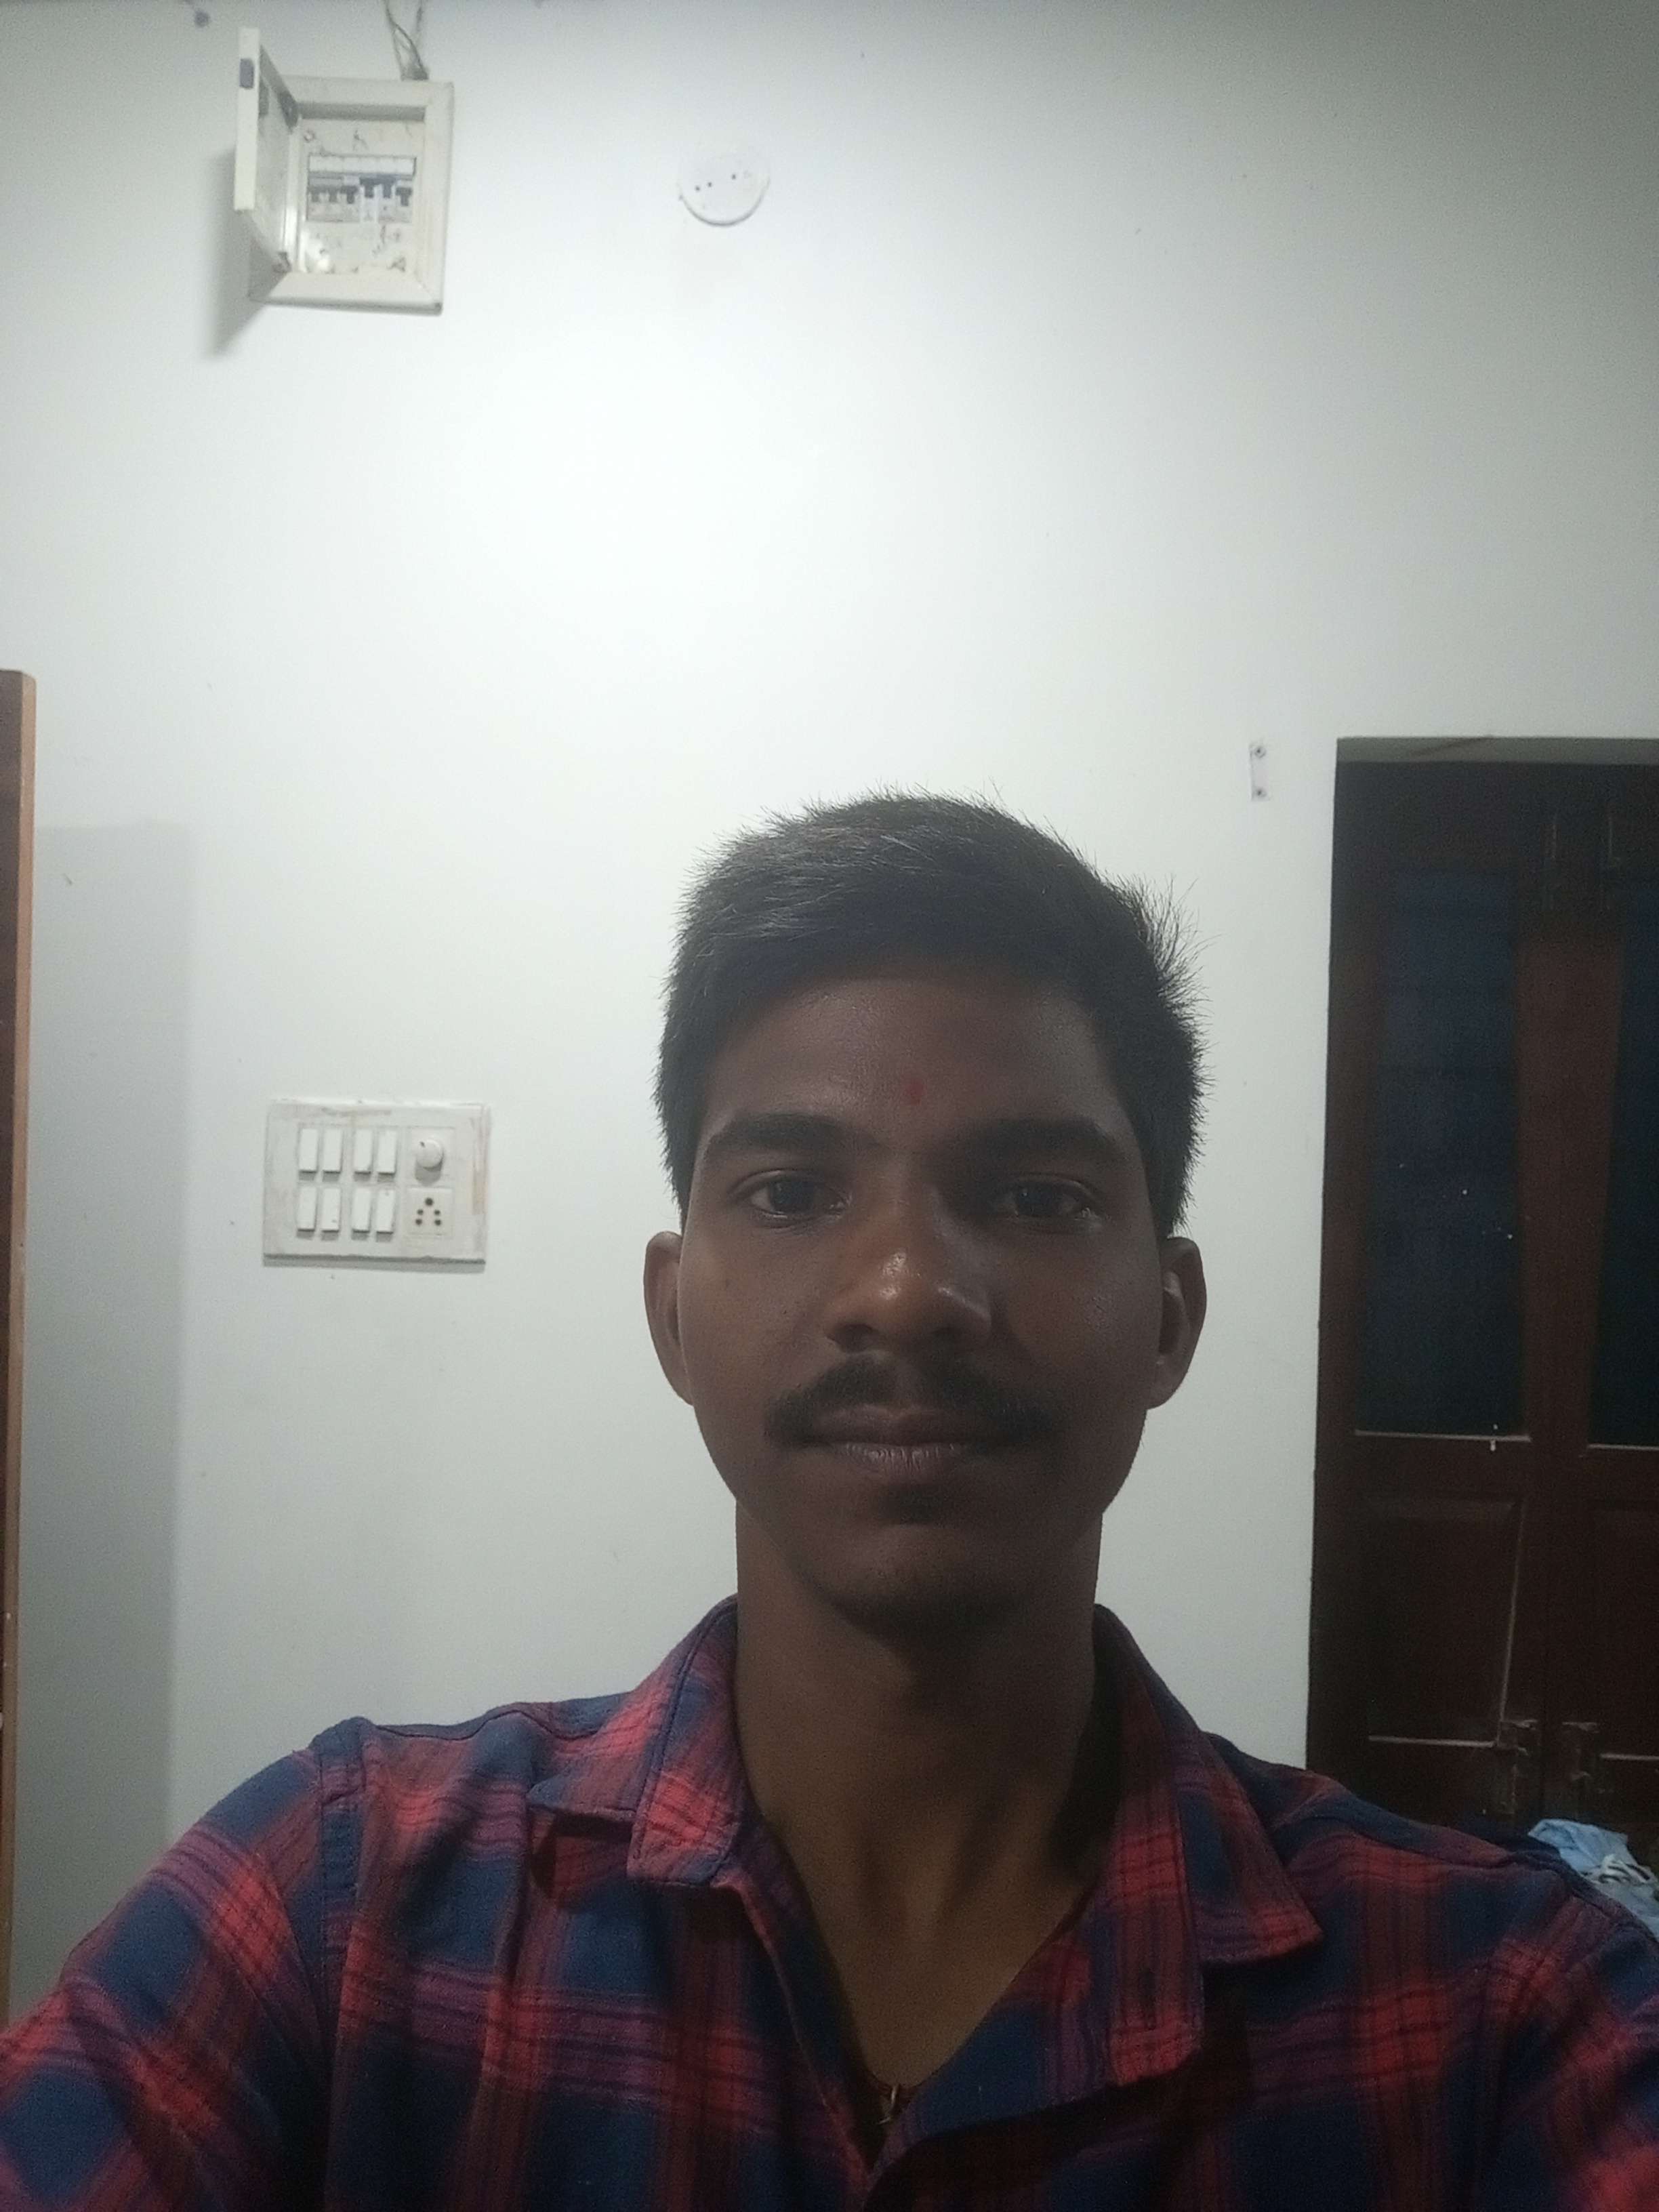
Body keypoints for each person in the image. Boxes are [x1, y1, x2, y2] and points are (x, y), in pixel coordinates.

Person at [3, 792, 1657, 2208]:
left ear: (1170, 1317)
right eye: (793, 1190)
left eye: (1035, 1194)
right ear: (673, 1315)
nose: (906, 1293)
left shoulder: (1501, 2015)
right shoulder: (339, 1913)